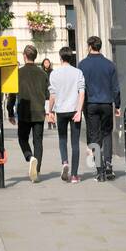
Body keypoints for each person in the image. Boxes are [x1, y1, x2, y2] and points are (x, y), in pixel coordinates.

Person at [79, 35, 121, 182]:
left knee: (94, 135)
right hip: (106, 103)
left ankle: (99, 170)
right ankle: (108, 164)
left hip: (91, 104)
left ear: (90, 46)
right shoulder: (109, 65)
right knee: (107, 133)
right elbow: (115, 87)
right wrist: (118, 105)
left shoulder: (82, 65)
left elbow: (81, 87)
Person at [47, 46, 86, 182]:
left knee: (62, 139)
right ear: (71, 57)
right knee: (75, 143)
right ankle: (74, 175)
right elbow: (82, 92)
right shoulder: (78, 73)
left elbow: (52, 95)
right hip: (74, 110)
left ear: (60, 57)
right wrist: (79, 111)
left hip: (61, 111)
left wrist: (49, 111)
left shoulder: (54, 74)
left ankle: (64, 162)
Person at [17, 45, 49, 182]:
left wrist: (9, 109)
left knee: (22, 138)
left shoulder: (18, 73)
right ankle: (37, 170)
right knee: (38, 142)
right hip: (39, 111)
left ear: (25, 56)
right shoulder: (43, 73)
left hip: (24, 111)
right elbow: (47, 94)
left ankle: (30, 157)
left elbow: (13, 93)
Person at [41, 58, 55, 129]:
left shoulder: (52, 72)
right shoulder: (41, 72)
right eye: (45, 63)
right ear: (43, 64)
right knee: (47, 110)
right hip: (45, 93)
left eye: (48, 62)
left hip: (52, 92)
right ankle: (49, 123)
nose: (46, 64)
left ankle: (53, 122)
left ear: (49, 64)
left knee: (52, 109)